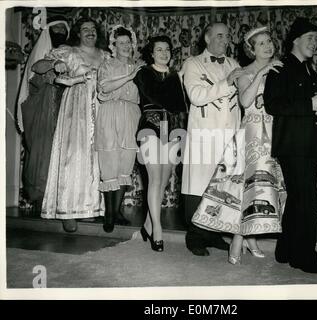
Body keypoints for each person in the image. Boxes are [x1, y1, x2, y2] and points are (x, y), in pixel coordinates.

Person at [191, 27, 287, 265]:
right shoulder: (244, 71)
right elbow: (245, 101)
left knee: (263, 189)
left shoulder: (281, 68)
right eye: (261, 43)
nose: (267, 46)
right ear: (251, 49)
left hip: (274, 132)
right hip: (252, 132)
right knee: (247, 188)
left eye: (269, 41)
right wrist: (261, 72)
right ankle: (238, 236)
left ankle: (249, 236)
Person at [263, 17, 317, 273]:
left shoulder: (310, 71)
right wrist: (310, 105)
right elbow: (273, 104)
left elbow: (316, 114)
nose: (315, 43)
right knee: (305, 201)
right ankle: (304, 257)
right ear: (295, 39)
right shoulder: (280, 68)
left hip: (308, 144)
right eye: (310, 38)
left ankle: (284, 250)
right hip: (292, 145)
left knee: (298, 199)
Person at [181, 22, 245, 256]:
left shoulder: (234, 64)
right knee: (200, 187)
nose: (224, 40)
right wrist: (227, 82)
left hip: (229, 136)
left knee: (223, 187)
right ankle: (196, 236)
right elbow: (196, 96)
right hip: (204, 135)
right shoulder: (193, 63)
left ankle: (215, 232)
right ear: (207, 38)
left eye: (227, 36)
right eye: (219, 36)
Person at [40, 18, 109, 232]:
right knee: (74, 157)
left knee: (98, 159)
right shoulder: (68, 51)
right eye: (85, 29)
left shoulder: (106, 55)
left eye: (93, 29)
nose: (90, 32)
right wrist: (54, 65)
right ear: (78, 33)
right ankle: (67, 210)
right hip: (76, 109)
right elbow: (38, 66)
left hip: (102, 108)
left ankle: (91, 209)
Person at [134, 35, 188, 251]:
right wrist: (175, 82)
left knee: (164, 181)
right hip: (151, 125)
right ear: (151, 53)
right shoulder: (144, 73)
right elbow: (156, 97)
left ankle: (147, 224)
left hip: (172, 128)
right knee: (155, 179)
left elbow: (181, 106)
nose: (164, 53)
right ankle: (157, 229)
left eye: (167, 49)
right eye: (159, 50)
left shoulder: (175, 76)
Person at [17, 16, 70, 214]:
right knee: (42, 155)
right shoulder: (40, 59)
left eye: (63, 31)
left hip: (64, 114)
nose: (60, 34)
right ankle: (39, 200)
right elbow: (32, 84)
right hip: (43, 113)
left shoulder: (69, 55)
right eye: (55, 30)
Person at [96, 25, 144, 232]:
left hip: (132, 115)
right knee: (110, 162)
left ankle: (117, 211)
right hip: (110, 113)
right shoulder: (107, 65)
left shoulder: (140, 66)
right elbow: (103, 88)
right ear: (113, 46)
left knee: (126, 163)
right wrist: (129, 76)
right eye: (120, 43)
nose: (125, 46)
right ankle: (108, 214)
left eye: (128, 42)